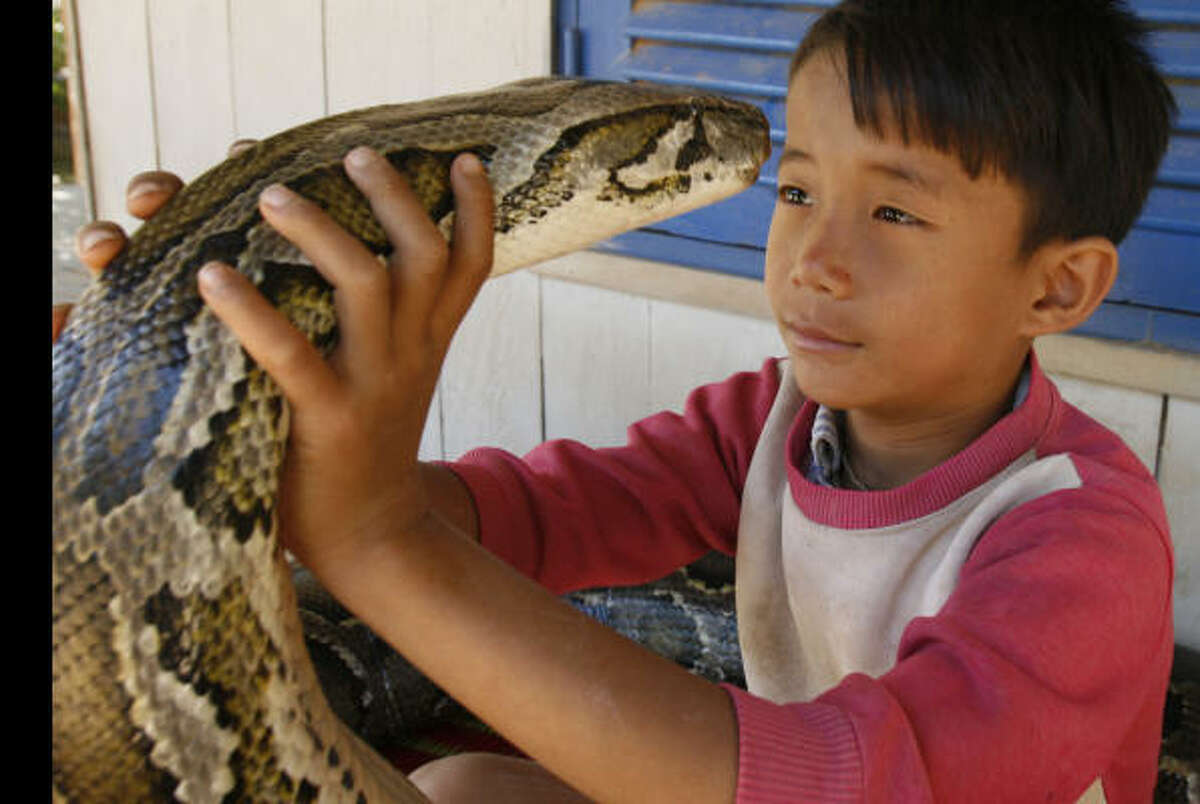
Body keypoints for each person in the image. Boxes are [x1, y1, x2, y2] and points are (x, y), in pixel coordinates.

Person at [60, 1, 1177, 800]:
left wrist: (375, 534)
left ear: (1057, 284)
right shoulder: (773, 424)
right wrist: (290, 445)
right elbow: (542, 514)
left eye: (894, 214)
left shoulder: (1087, 543)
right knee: (462, 788)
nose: (812, 260)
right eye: (797, 189)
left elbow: (859, 782)